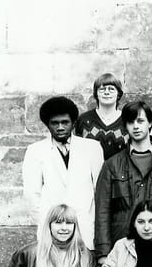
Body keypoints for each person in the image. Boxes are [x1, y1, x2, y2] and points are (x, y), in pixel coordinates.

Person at [94, 101, 152, 262]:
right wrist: (103, 253)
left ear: (150, 123)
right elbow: (102, 211)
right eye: (130, 122)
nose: (136, 126)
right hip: (122, 245)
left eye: (140, 121)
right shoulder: (111, 165)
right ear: (125, 126)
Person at [22, 96, 104, 250]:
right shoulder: (35, 151)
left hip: (85, 229)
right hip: (51, 232)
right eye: (55, 123)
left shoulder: (92, 148)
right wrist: (50, 223)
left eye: (65, 122)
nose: (60, 127)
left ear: (73, 123)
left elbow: (100, 191)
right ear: (47, 124)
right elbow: (31, 195)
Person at [75, 72, 130, 159]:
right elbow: (77, 150)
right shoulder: (84, 119)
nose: (106, 92)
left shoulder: (127, 119)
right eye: (102, 89)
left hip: (120, 167)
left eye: (111, 89)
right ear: (96, 94)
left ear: (118, 94)